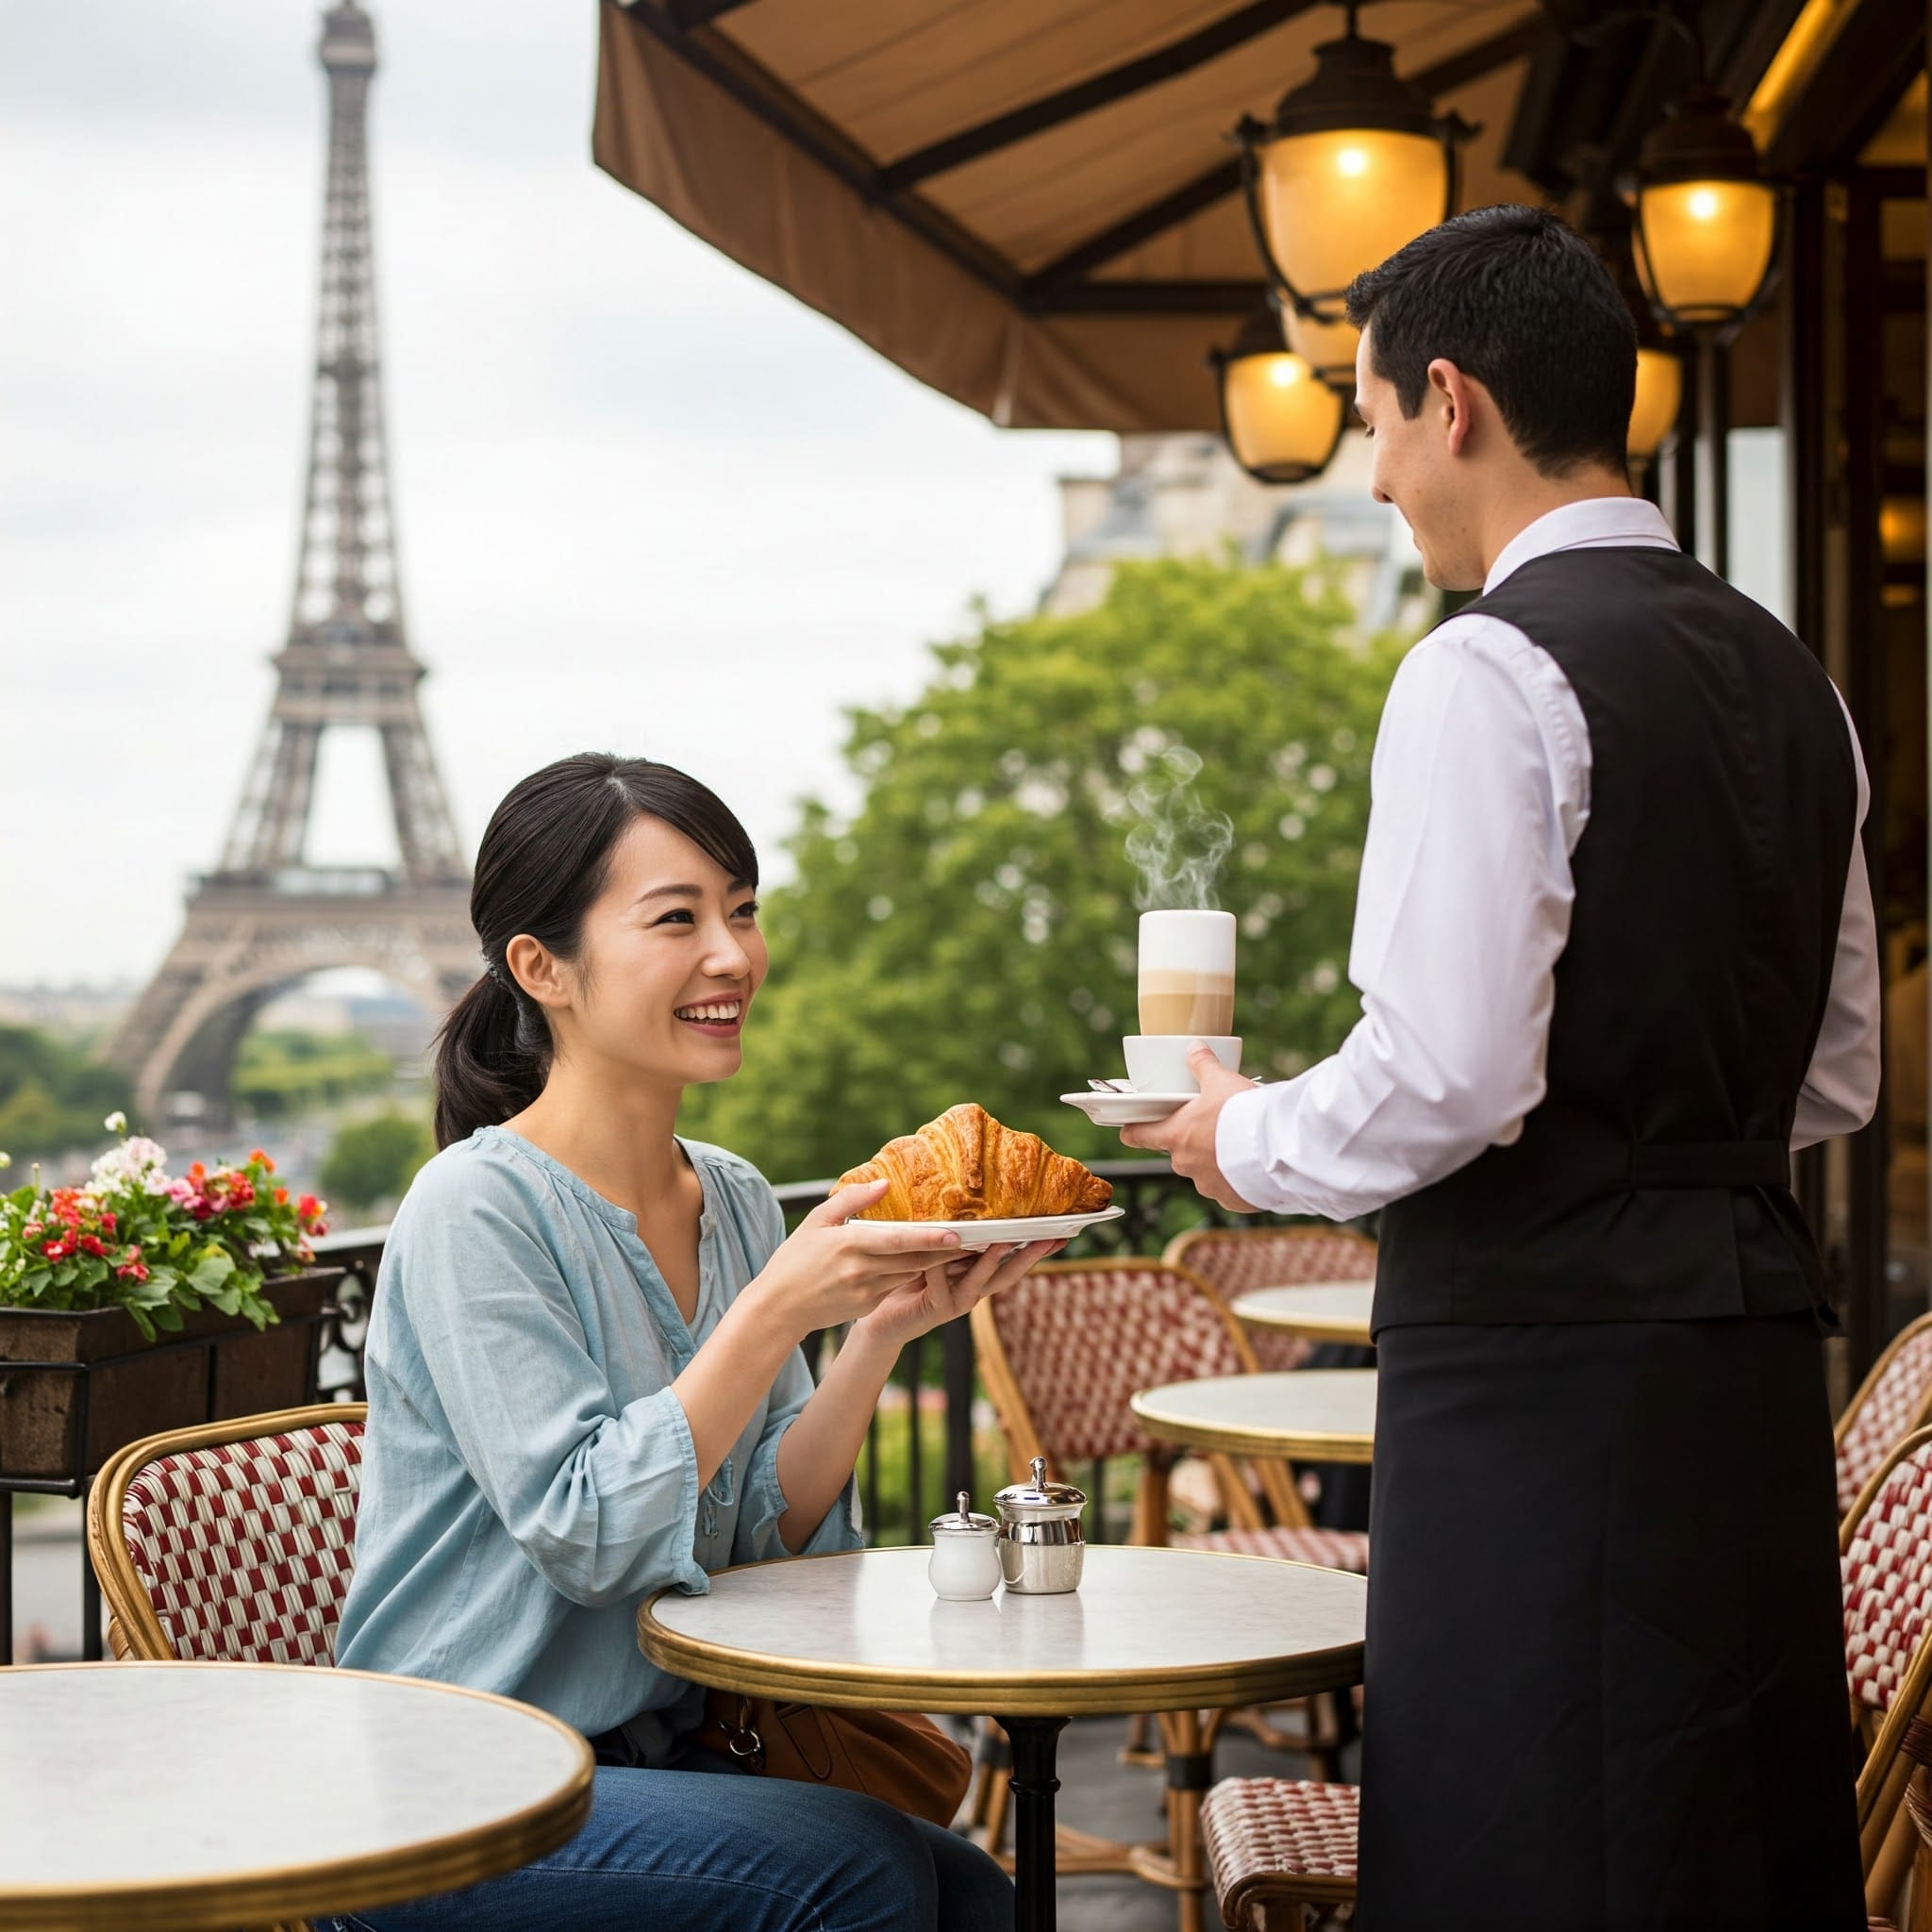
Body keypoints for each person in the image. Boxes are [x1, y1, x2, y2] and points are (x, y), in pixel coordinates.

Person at [1126, 207, 1878, 1929]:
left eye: (1373, 419)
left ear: (1447, 399)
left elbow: (1447, 1077)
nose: (1376, 472)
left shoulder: (1481, 668)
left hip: (1541, 1374)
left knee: (1524, 1845)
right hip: (1745, 1369)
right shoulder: (1795, 679)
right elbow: (1828, 1078)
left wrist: (1242, 1132)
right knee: (1721, 1844)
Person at [330, 753, 1050, 1932]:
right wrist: (773, 1309)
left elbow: (763, 1530)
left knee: (972, 1888)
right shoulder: (473, 1207)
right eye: (677, 918)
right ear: (539, 966)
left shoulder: (731, 1194)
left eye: (743, 910)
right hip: (455, 1785)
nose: (732, 954)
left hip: (658, 1754)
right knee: (861, 1868)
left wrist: (873, 1333)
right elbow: (591, 1531)